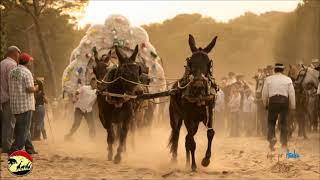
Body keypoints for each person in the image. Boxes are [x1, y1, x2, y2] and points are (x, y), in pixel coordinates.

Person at [8, 53, 38, 154]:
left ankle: (29, 149)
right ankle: (15, 148)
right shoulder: (26, 72)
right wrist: (37, 88)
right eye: (30, 60)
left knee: (24, 128)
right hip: (25, 105)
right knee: (24, 130)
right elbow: (29, 89)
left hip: (15, 105)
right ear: (27, 61)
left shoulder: (12, 72)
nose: (30, 62)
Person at [262, 63, 295, 151]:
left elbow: (264, 93)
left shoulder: (268, 79)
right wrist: (293, 106)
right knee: (284, 122)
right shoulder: (288, 79)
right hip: (284, 102)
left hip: (273, 101)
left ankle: (272, 138)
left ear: (274, 70)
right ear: (283, 70)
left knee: (271, 122)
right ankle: (284, 143)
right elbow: (292, 94)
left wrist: (265, 103)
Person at [0, 46, 21, 153]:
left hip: (2, 97)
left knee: (4, 123)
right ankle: (7, 147)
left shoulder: (2, 63)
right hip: (10, 98)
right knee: (10, 124)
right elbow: (16, 83)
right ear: (15, 53)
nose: (19, 56)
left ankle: (4, 144)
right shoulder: (13, 65)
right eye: (19, 53)